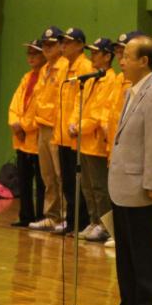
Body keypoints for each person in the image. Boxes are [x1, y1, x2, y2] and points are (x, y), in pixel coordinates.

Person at [107, 36, 152, 305]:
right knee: (126, 254)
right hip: (122, 186)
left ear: (144, 61)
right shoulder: (132, 91)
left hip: (142, 187)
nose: (121, 61)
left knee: (145, 254)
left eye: (126, 56)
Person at [68, 37, 116, 242]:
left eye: (96, 53)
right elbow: (79, 104)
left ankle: (105, 225)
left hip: (96, 142)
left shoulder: (111, 79)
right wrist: (72, 123)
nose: (92, 56)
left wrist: (80, 127)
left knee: (99, 187)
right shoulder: (91, 79)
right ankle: (94, 220)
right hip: (83, 142)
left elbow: (99, 113)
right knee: (87, 186)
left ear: (107, 56)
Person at [103, 30, 144, 249]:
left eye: (126, 54)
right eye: (119, 53)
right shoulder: (121, 81)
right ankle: (117, 232)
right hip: (115, 146)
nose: (121, 59)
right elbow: (110, 111)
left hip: (134, 152)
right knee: (114, 192)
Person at [55, 27, 94, 235]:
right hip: (62, 135)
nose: (63, 46)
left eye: (68, 42)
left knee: (78, 183)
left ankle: (80, 222)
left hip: (75, 135)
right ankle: (70, 220)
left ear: (80, 45)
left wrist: (75, 125)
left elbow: (83, 101)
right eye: (62, 42)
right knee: (67, 182)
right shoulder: (63, 68)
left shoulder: (85, 67)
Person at [29, 26, 66, 232]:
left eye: (51, 44)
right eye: (44, 44)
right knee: (48, 176)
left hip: (55, 128)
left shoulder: (64, 68)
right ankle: (51, 215)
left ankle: (65, 216)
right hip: (41, 127)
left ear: (61, 46)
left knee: (61, 175)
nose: (47, 48)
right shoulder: (44, 69)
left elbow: (62, 101)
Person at [8, 39, 46, 227]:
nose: (30, 57)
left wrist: (23, 125)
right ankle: (25, 215)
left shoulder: (45, 78)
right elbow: (16, 103)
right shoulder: (26, 77)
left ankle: (40, 216)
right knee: (23, 180)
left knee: (41, 183)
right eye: (29, 54)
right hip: (22, 139)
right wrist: (14, 123)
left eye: (35, 53)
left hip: (35, 137)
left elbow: (39, 108)